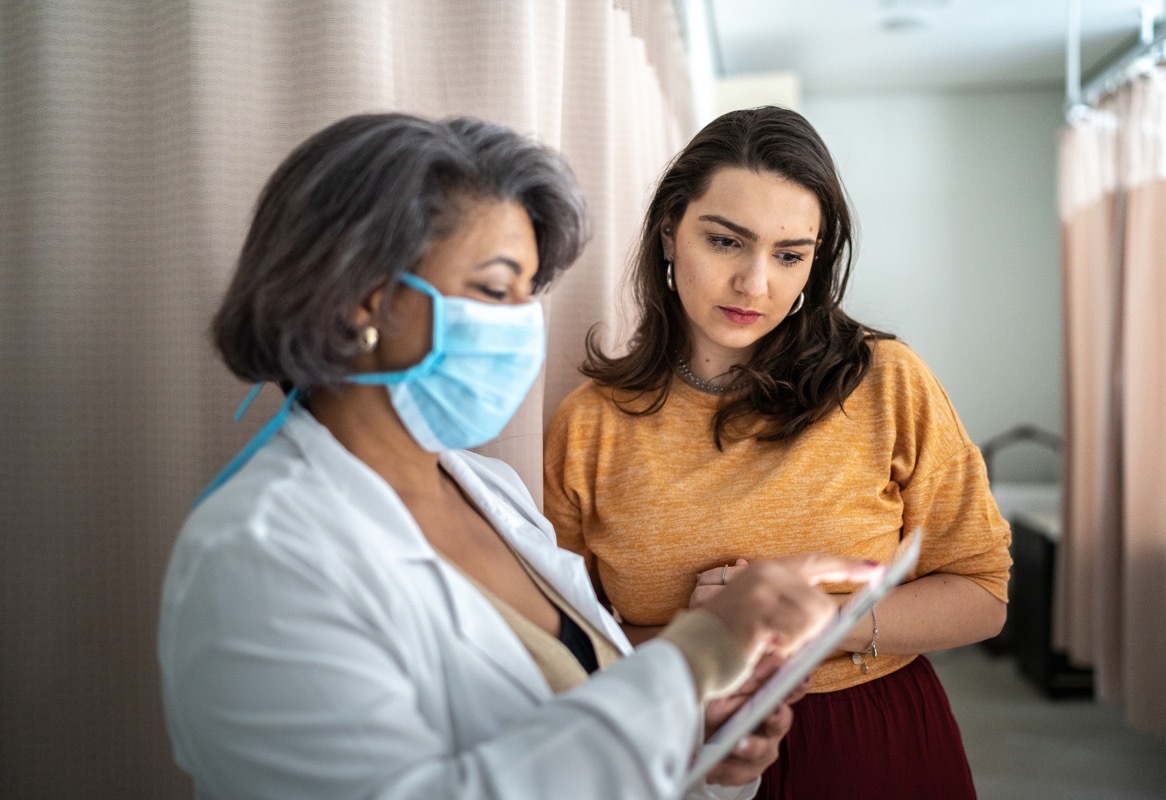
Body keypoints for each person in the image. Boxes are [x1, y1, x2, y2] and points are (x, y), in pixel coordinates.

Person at [156, 112, 885, 800]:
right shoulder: (256, 554)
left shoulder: (488, 490)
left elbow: (588, 725)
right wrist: (689, 663)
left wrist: (700, 748)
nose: (521, 330)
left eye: (527, 294)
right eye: (494, 291)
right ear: (360, 297)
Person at [543, 106, 1012, 800]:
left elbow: (983, 594)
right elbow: (570, 643)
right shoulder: (589, 424)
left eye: (789, 254)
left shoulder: (885, 382)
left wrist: (828, 624)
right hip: (677, 745)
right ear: (670, 231)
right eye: (727, 242)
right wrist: (709, 635)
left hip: (871, 741)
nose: (756, 284)